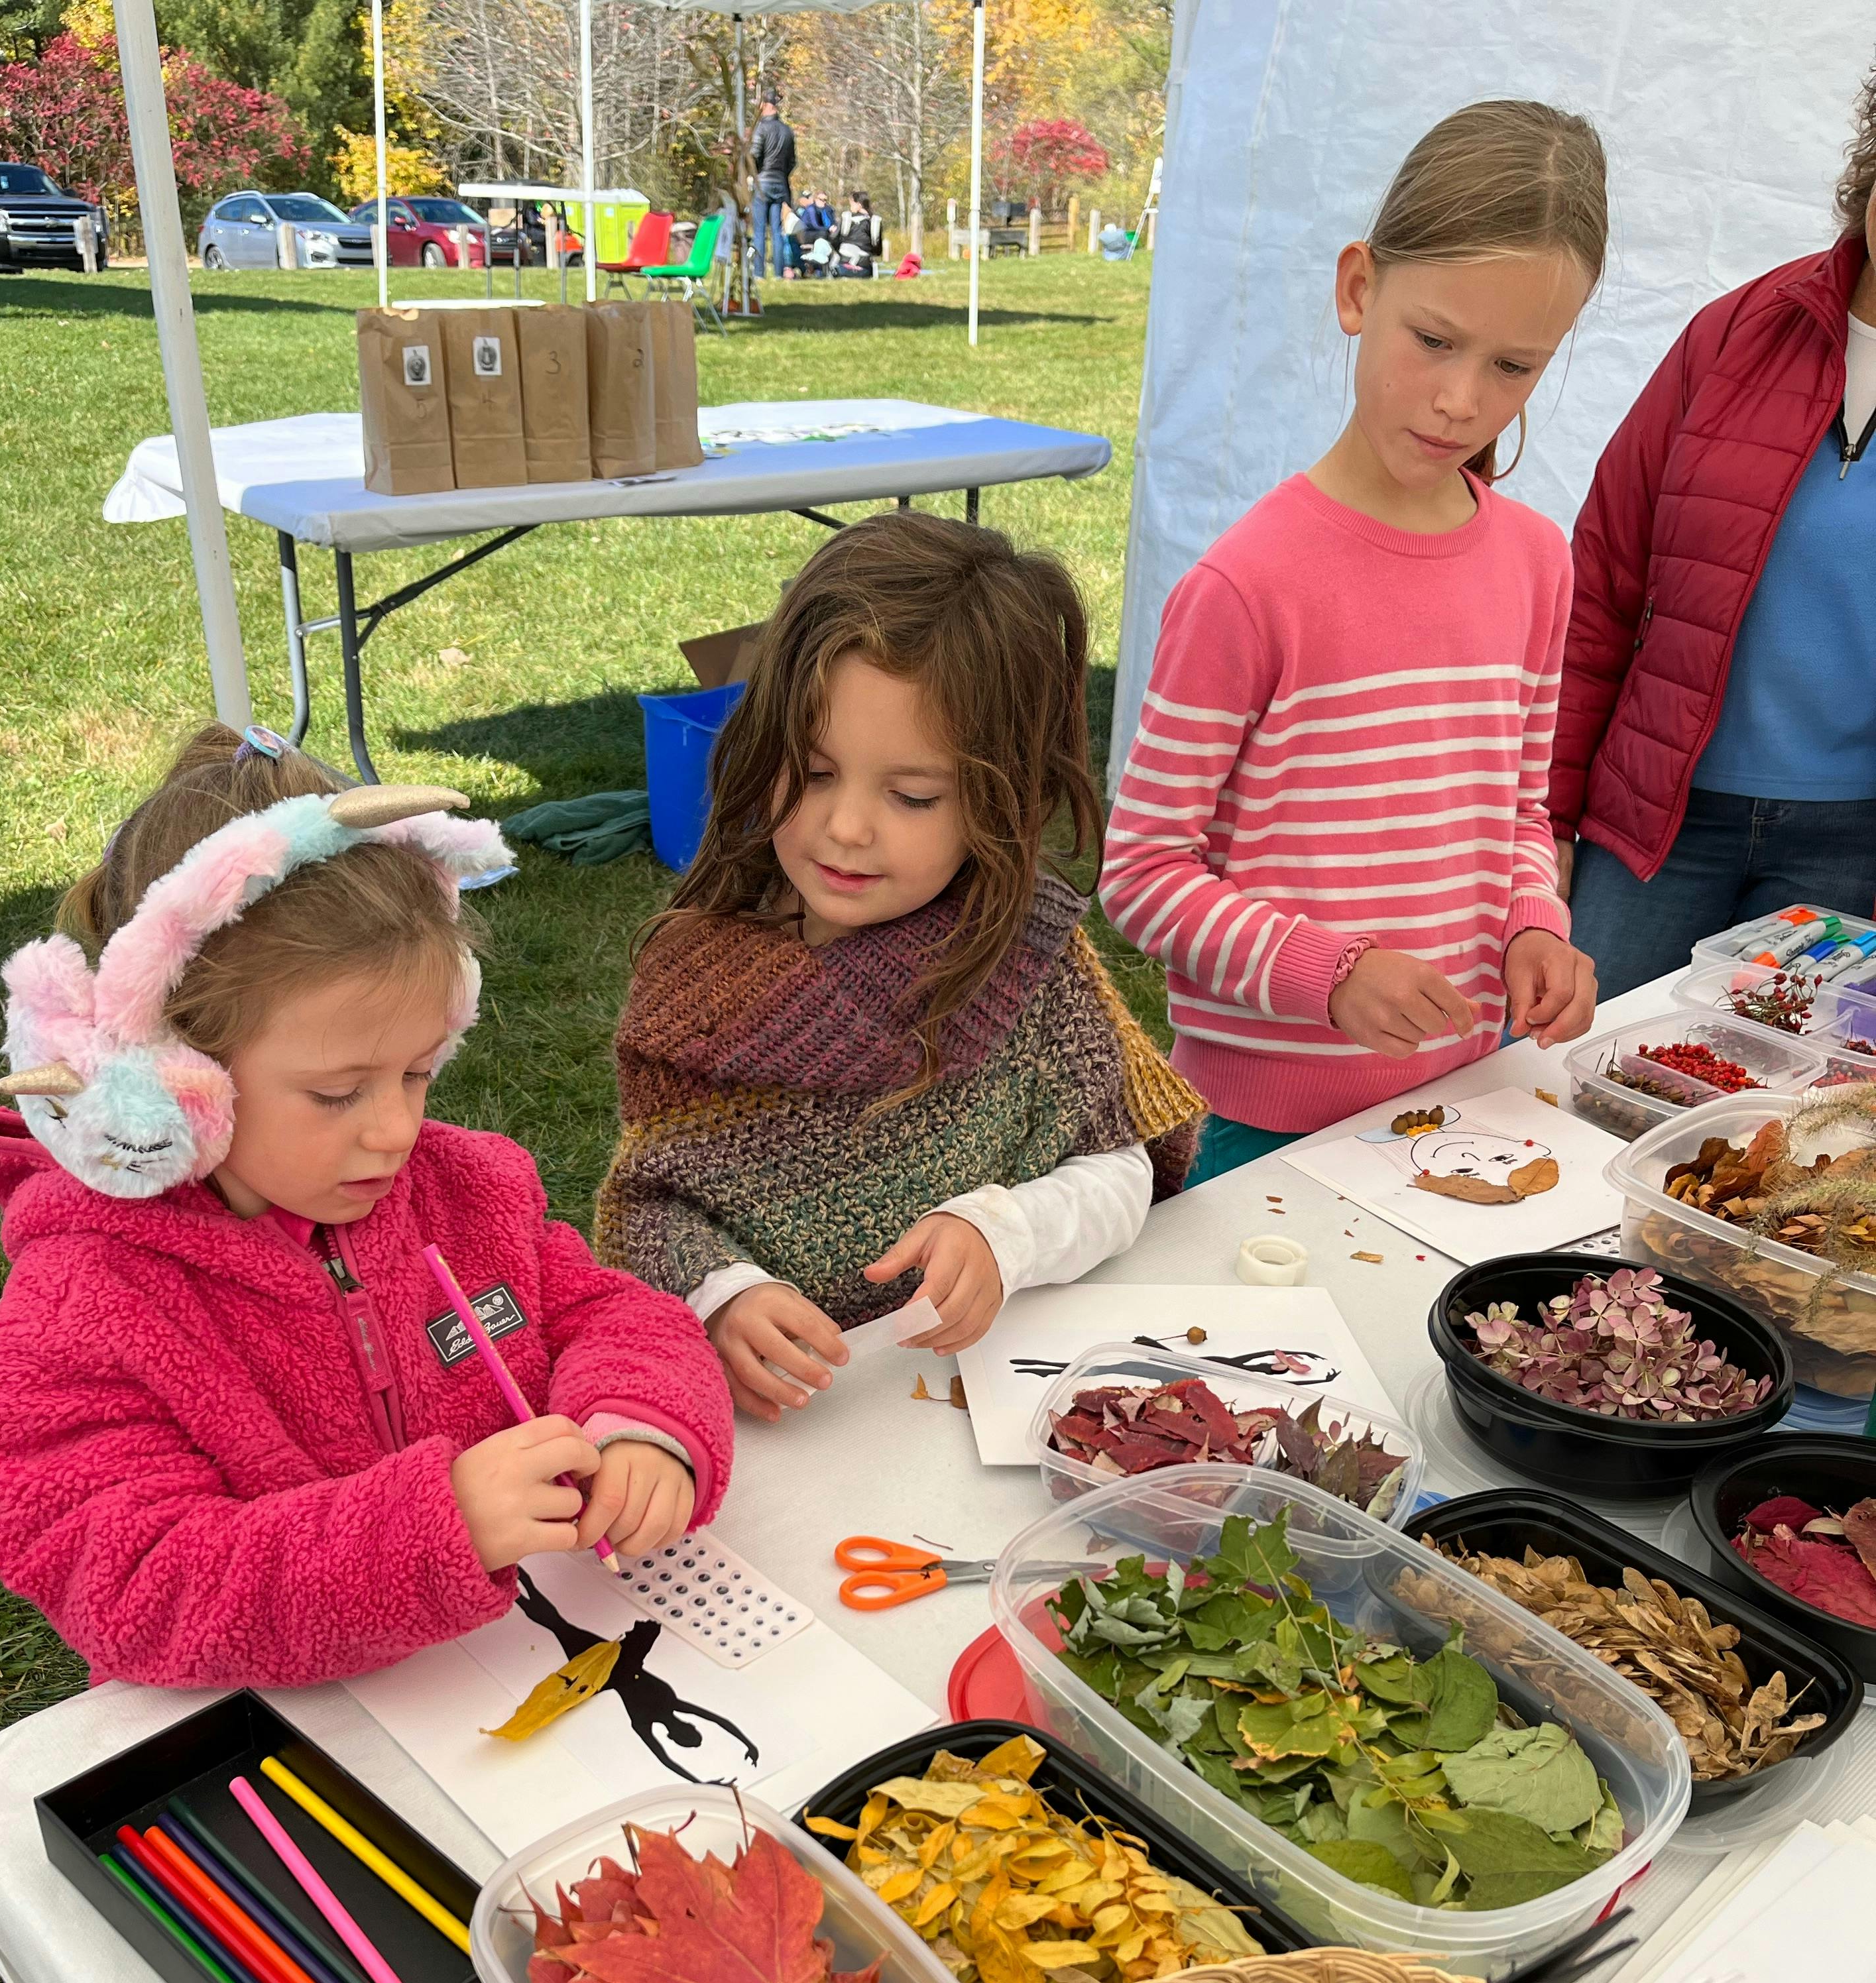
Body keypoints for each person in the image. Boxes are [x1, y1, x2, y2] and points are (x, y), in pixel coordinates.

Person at [0, 724, 731, 1983]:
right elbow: (139, 1584)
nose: (396, 1131)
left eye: (419, 1070)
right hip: (250, 1792)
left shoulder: (464, 1192)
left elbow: (604, 1311)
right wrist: (423, 1527)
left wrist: (640, 1416)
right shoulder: (85, 1312)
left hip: (482, 1739)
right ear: (167, 1083)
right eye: (339, 1092)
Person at [595, 511, 1204, 1421]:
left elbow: (1123, 1168)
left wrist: (1006, 1234)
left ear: (1001, 797)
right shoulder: (703, 987)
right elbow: (652, 1208)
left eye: (912, 795)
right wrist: (724, 1296)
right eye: (813, 769)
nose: (846, 827)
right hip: (806, 1425)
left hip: (997, 1399)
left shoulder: (1023, 959)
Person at [1100, 101, 1606, 1179]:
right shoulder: (1248, 584)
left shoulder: (1532, 562)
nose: (1459, 400)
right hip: (1266, 1134)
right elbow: (1141, 873)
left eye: (1513, 367)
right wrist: (1324, 973)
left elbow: (1516, 809)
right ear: (1355, 289)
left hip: (1471, 1097)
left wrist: (1530, 923)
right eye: (1432, 341)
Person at [1551, 60, 1876, 993]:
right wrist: (1547, 819)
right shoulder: (1735, 336)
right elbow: (1599, 594)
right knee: (1561, 1075)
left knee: (1781, 1122)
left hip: (1852, 850)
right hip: (1661, 820)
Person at [749, 89, 795, 279]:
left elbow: (754, 155)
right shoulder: (787, 130)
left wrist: (753, 173)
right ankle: (778, 274)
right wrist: (782, 175)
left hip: (762, 183)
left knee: (759, 231)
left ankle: (759, 274)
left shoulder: (761, 128)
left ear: (766, 105)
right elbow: (793, 162)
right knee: (777, 231)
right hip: (780, 184)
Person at [835, 192, 882, 278]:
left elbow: (835, 238)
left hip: (845, 259)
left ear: (859, 204)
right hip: (865, 262)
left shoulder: (847, 219)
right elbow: (878, 248)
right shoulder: (874, 221)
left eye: (852, 204)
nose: (850, 207)